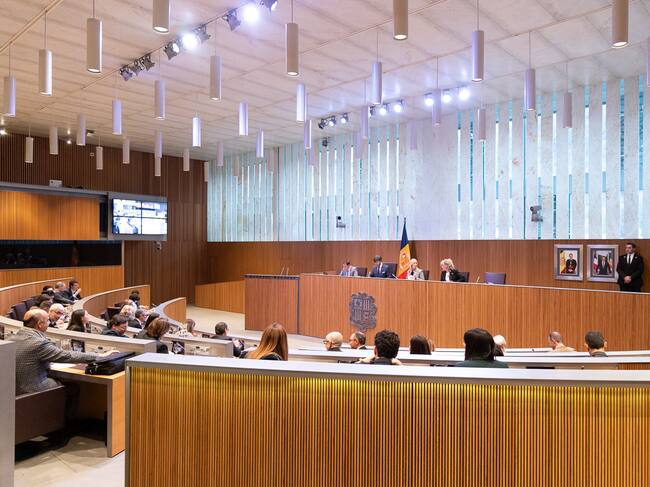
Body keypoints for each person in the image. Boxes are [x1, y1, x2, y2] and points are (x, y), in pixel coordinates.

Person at [10, 309, 102, 395]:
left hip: (12, 390)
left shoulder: (10, 339)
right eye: (47, 321)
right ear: (40, 324)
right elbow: (67, 356)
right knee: (73, 388)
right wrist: (97, 356)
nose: (49, 323)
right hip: (33, 391)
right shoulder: (39, 343)